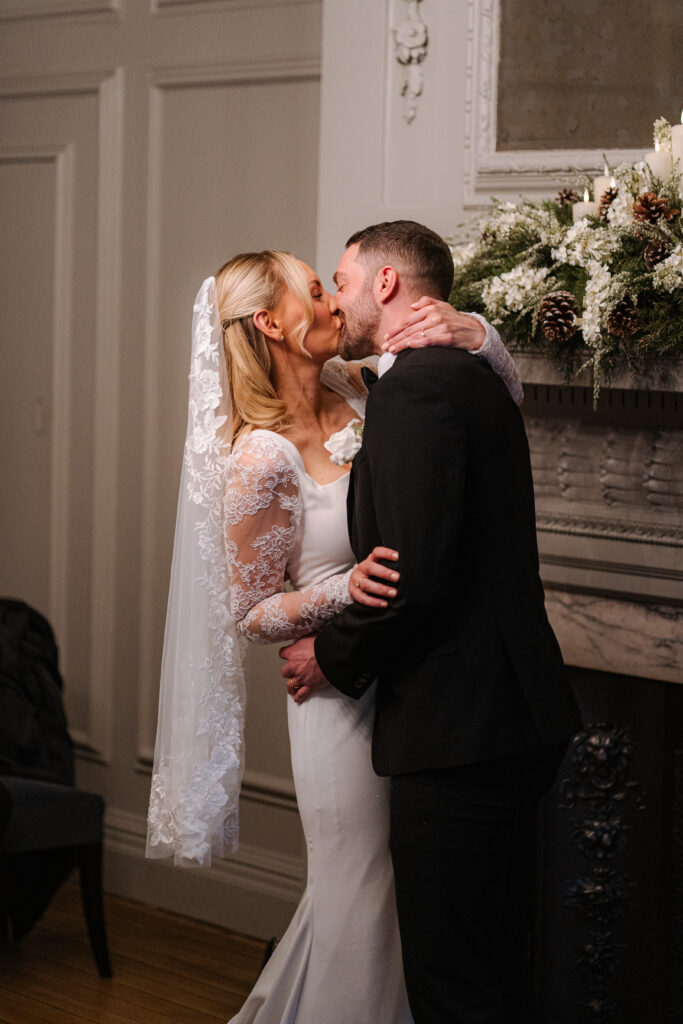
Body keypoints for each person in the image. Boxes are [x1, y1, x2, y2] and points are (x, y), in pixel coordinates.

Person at [146, 247, 523, 1024]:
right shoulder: (258, 456)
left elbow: (501, 400)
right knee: (361, 890)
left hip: (408, 680)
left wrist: (475, 331)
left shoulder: (358, 387)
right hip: (334, 702)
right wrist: (338, 590)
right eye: (313, 291)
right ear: (270, 322)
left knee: (408, 897)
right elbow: (248, 614)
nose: (330, 304)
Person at [281, 221, 583, 1024]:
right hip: (510, 713)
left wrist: (330, 654)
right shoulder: (464, 371)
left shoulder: (415, 389)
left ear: (384, 285)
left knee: (455, 986)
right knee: (491, 962)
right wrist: (480, 330)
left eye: (340, 280)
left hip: (462, 728)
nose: (334, 299)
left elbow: (413, 579)